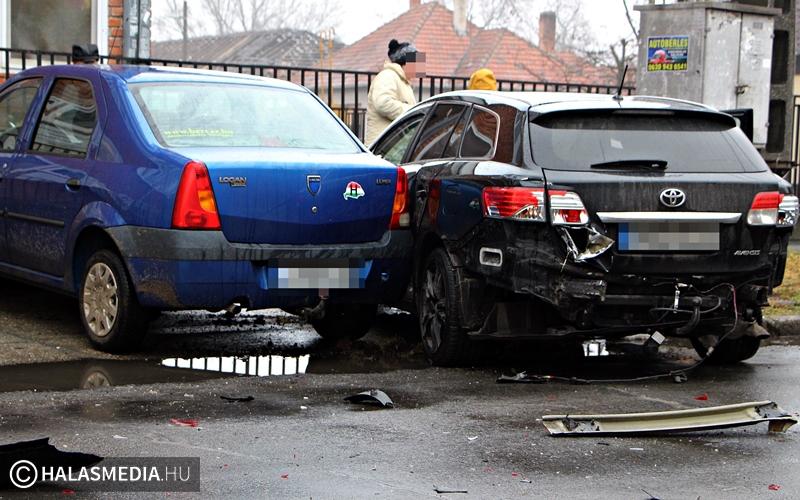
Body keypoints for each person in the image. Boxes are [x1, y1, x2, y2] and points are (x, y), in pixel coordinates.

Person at [364, 39, 425, 146]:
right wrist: (412, 113)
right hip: (381, 149)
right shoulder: (388, 76)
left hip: (391, 148)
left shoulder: (403, 81)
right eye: (416, 62)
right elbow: (383, 103)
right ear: (405, 62)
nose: (420, 67)